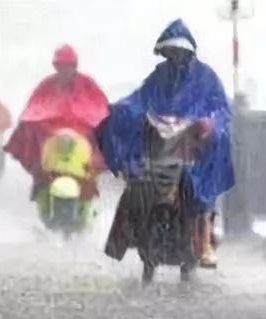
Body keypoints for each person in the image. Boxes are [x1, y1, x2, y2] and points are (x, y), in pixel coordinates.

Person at [98, 19, 235, 268]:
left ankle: (203, 242)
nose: (175, 56)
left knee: (197, 189)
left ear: (188, 51)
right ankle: (125, 237)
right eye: (170, 51)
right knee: (137, 184)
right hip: (159, 147)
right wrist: (122, 110)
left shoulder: (206, 77)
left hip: (193, 152)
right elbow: (140, 99)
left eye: (179, 51)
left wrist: (206, 124)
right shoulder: (160, 75)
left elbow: (220, 111)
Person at [4, 45, 110, 208]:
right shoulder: (46, 85)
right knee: (28, 135)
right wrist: (33, 122)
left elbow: (101, 109)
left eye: (69, 65)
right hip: (51, 136)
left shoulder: (87, 84)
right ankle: (40, 179)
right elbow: (33, 109)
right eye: (61, 65)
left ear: (75, 66)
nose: (65, 70)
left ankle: (89, 185)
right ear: (55, 66)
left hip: (82, 134)